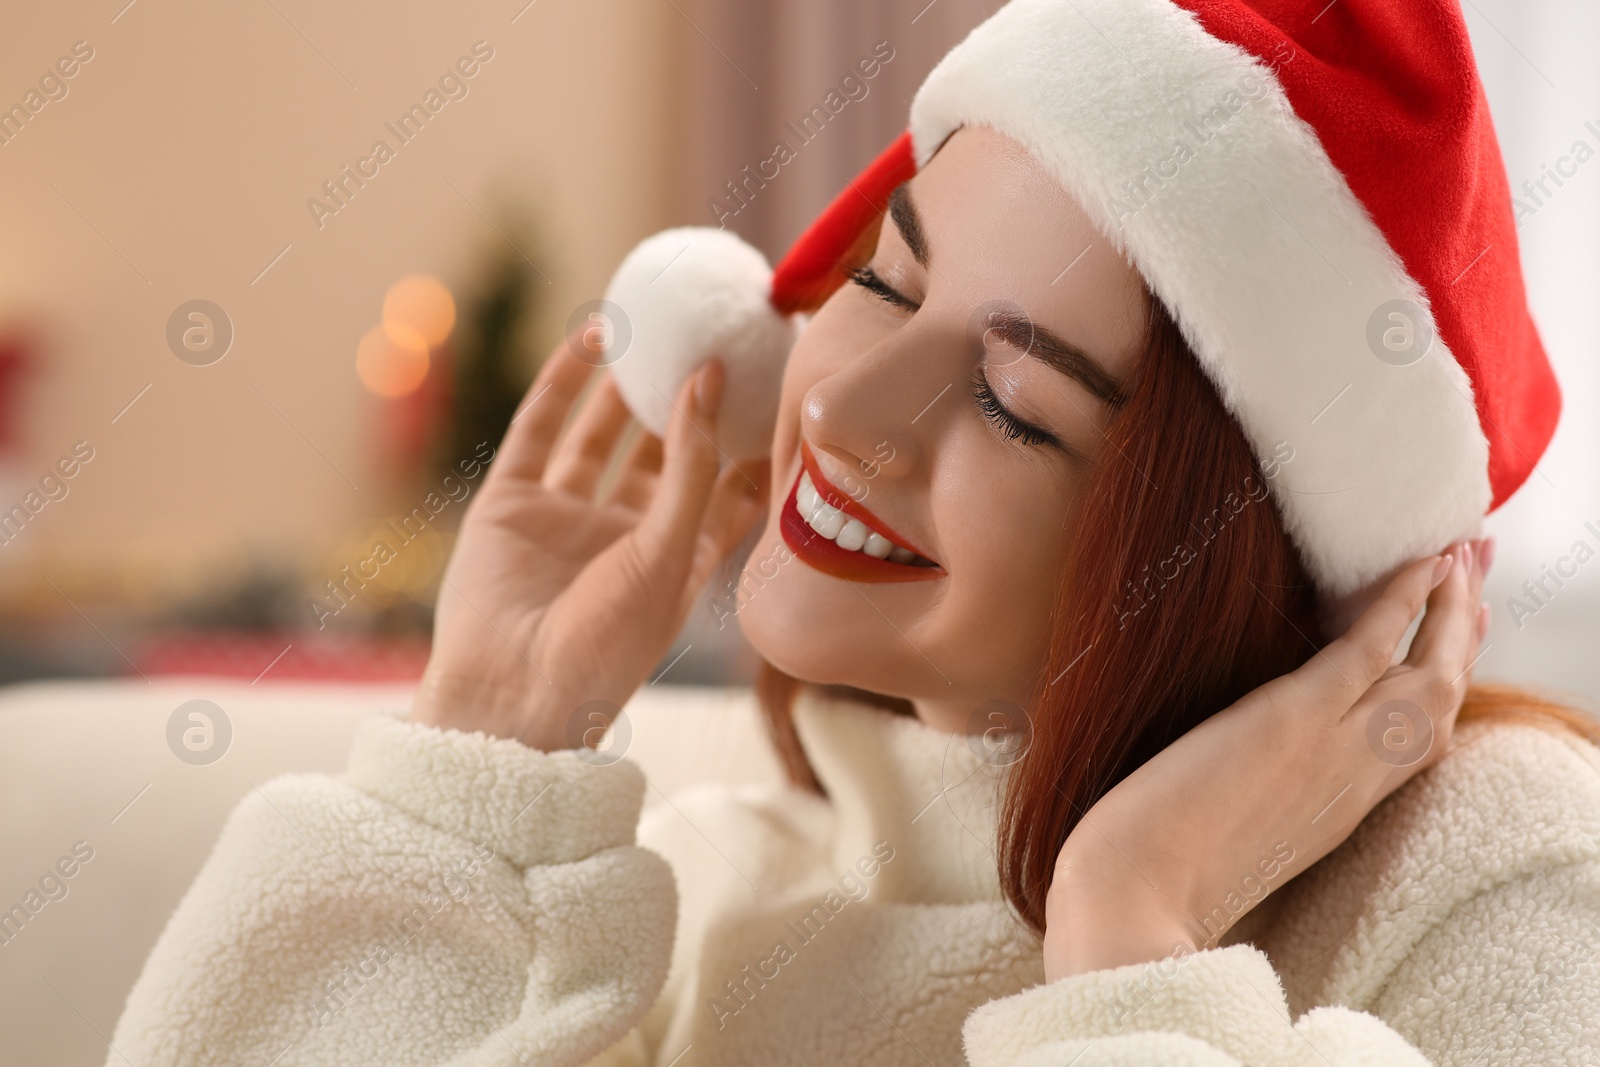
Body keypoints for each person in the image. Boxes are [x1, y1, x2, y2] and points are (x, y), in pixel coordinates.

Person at [107, 0, 1600, 1064]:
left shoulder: (1502, 864)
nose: (840, 412)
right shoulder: (710, 884)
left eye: (1014, 402)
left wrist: (1132, 938)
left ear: (1222, 564)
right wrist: (485, 744)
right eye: (886, 285)